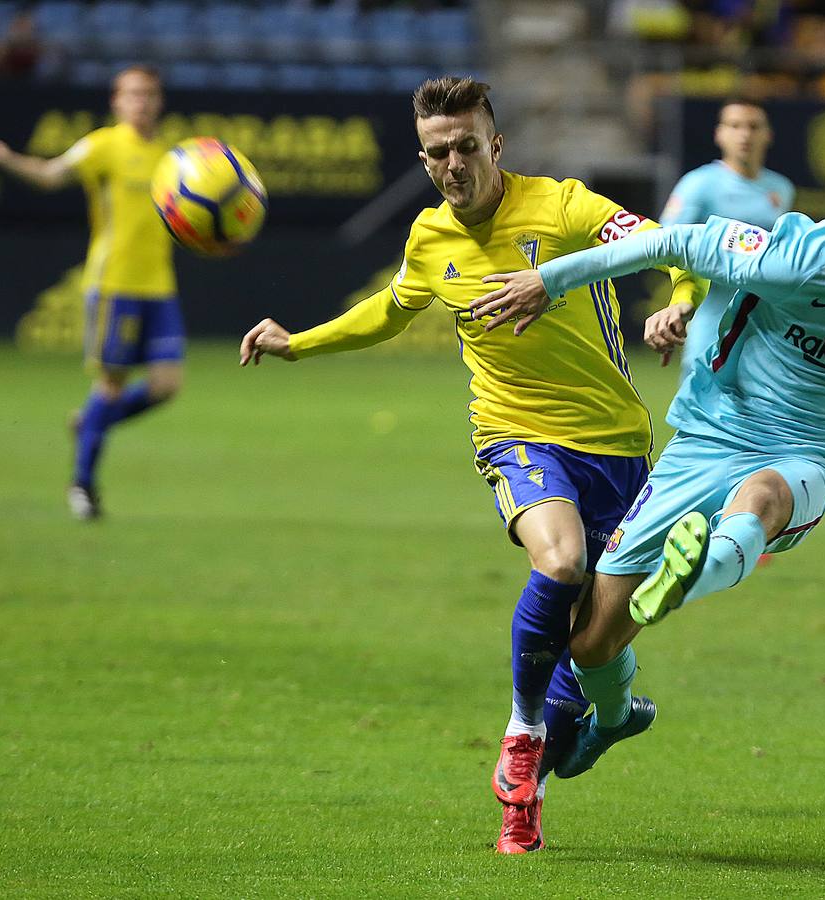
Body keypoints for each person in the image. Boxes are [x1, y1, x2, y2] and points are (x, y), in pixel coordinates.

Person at [472, 117, 825, 782]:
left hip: (804, 457)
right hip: (707, 440)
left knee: (759, 499)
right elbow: (672, 240)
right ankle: (616, 718)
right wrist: (550, 280)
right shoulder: (790, 256)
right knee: (591, 643)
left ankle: (691, 572)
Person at [238, 76, 703, 854]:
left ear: (495, 144)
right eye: (435, 153)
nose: (452, 164)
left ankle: (532, 796)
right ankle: (522, 736)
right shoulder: (429, 238)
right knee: (559, 566)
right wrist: (302, 341)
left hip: (618, 446)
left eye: (463, 146)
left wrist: (678, 302)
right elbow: (391, 307)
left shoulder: (563, 207)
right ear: (423, 161)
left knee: (589, 640)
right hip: (515, 434)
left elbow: (671, 246)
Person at [0, 65, 181, 520]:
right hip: (113, 285)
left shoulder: (171, 157)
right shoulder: (104, 145)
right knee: (111, 383)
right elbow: (50, 175)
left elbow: (188, 218)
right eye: (133, 94)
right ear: (117, 101)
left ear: (159, 101)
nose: (142, 102)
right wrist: (7, 158)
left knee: (167, 386)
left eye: (149, 94)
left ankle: (88, 423)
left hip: (159, 285)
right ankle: (82, 485)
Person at [660, 97, 795, 375]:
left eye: (753, 126)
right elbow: (666, 243)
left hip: (764, 325)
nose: (744, 134)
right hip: (712, 319)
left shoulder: (781, 188)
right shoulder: (698, 184)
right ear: (719, 134)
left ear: (768, 134)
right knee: (699, 412)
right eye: (734, 126)